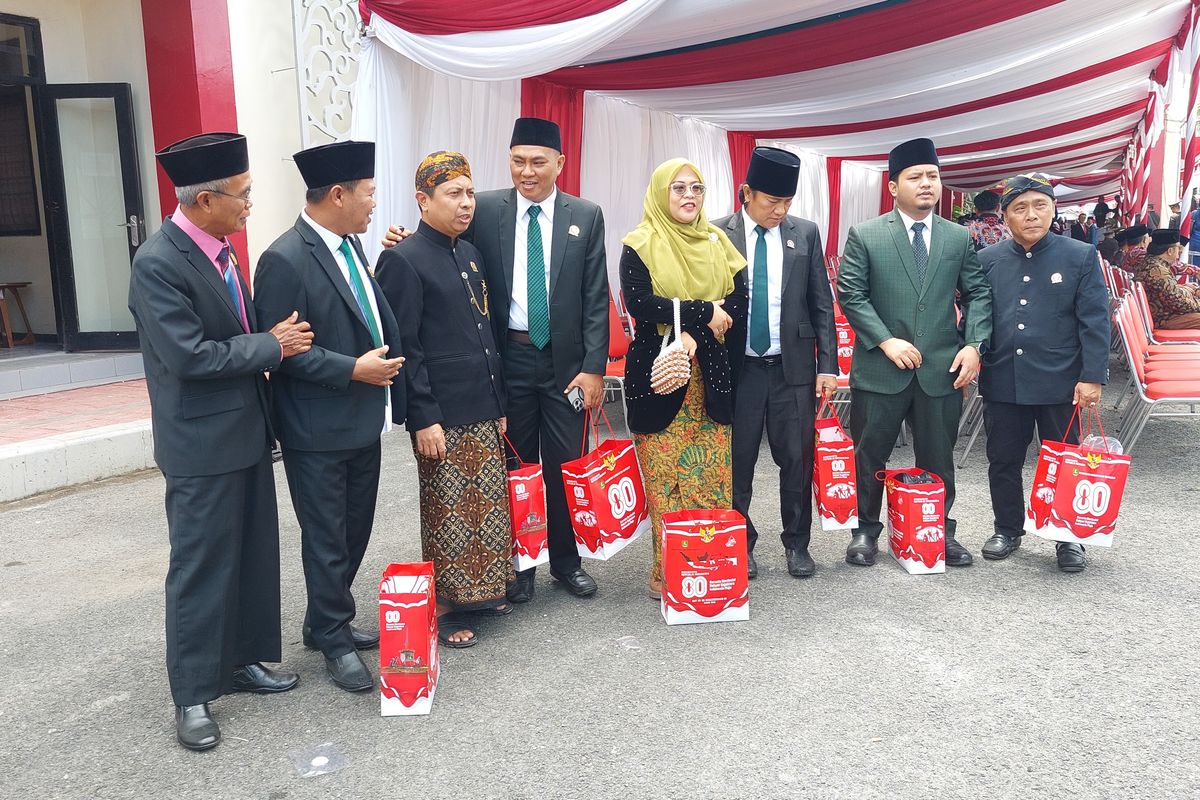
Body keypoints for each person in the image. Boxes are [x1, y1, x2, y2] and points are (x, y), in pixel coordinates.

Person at [128, 133, 313, 751]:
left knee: (254, 555)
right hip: (201, 445)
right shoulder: (158, 262)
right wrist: (272, 346)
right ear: (204, 200)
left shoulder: (223, 250)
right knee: (201, 569)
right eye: (243, 195)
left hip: (247, 432)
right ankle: (192, 695)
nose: (250, 205)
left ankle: (243, 661)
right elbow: (189, 356)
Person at [383, 118, 608, 603]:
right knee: (515, 465)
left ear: (559, 164)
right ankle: (521, 565)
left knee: (565, 464)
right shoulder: (483, 209)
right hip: (508, 357)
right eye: (517, 161)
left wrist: (594, 367)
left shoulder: (585, 215)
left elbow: (595, 295)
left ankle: (567, 563)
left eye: (537, 162)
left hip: (566, 365)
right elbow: (439, 239)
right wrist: (397, 241)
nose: (526, 172)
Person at [253, 141, 405, 694]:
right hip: (317, 427)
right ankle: (334, 638)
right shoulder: (284, 258)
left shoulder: (352, 246)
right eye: (367, 195)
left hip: (362, 419)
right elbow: (284, 351)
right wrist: (352, 370)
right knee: (326, 535)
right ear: (337, 195)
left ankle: (324, 619)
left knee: (355, 526)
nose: (373, 205)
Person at [375, 151, 512, 648]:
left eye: (470, 192)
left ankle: (485, 591)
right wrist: (422, 417)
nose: (466, 203)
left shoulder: (468, 252)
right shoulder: (403, 258)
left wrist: (499, 404)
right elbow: (406, 346)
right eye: (453, 194)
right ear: (422, 200)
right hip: (442, 414)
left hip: (481, 403)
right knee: (449, 510)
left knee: (487, 507)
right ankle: (452, 606)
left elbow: (485, 331)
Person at [835, 137, 992, 568]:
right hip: (882, 368)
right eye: (915, 177)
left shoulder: (957, 237)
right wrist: (886, 340)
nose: (927, 184)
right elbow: (851, 293)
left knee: (938, 456)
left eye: (933, 176)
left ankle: (938, 529)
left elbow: (978, 294)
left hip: (941, 369)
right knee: (870, 453)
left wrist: (974, 346)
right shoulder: (867, 235)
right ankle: (866, 531)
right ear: (893, 186)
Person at [620, 158, 747, 598]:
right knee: (665, 480)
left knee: (710, 478)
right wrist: (704, 311)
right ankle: (667, 570)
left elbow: (738, 302)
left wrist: (693, 333)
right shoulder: (639, 243)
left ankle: (709, 567)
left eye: (696, 188)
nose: (689, 196)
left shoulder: (718, 242)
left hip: (709, 376)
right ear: (660, 193)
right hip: (657, 374)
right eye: (678, 188)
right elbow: (642, 304)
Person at [713, 146, 837, 579]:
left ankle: (797, 543)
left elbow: (822, 303)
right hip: (739, 368)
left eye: (787, 203)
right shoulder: (715, 233)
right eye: (771, 202)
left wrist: (828, 366)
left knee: (797, 459)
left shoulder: (805, 232)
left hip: (793, 369)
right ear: (746, 193)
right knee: (736, 460)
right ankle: (740, 541)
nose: (780, 211)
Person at [976, 174, 1109, 573]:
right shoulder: (988, 259)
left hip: (1060, 381)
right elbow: (978, 317)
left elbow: (1095, 320)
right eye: (1020, 208)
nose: (1031, 215)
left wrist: (1092, 375)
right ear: (1006, 215)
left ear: (1053, 210)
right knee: (1002, 458)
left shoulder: (1079, 256)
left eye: (1040, 206)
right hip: (1004, 376)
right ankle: (1007, 528)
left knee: (1064, 460)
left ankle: (1067, 538)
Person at [1129, 229, 1200, 330]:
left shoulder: (1150, 263)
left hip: (1164, 314)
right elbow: (1180, 303)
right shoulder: (1158, 272)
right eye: (1178, 250)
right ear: (1170, 251)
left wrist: (1190, 291)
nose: (1179, 254)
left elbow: (1171, 292)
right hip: (1164, 318)